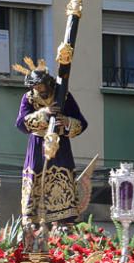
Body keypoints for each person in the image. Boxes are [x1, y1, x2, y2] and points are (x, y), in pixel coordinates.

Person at [15, 60, 89, 224]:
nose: (37, 90)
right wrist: (44, 114)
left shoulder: (64, 96)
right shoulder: (28, 98)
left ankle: (64, 223)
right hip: (37, 148)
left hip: (60, 149)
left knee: (62, 186)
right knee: (36, 183)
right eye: (34, 87)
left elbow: (82, 123)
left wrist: (67, 122)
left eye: (40, 86)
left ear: (48, 84)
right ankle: (34, 224)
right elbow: (21, 124)